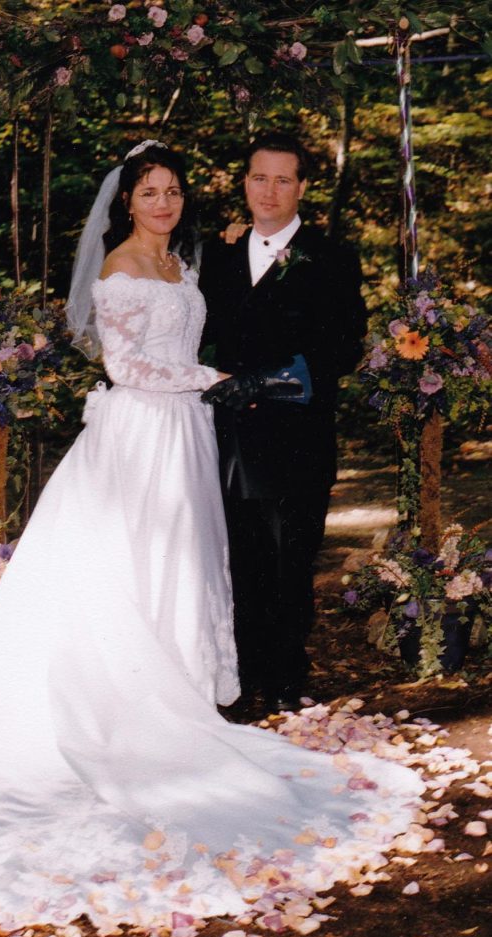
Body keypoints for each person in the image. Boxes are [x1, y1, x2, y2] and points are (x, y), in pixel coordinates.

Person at [0, 141, 421, 936]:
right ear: (126, 202)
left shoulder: (191, 261)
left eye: (174, 189)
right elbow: (127, 366)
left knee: (192, 560)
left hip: (193, 433)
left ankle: (202, 680)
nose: (163, 201)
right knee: (131, 562)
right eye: (150, 191)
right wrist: (220, 381)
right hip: (145, 432)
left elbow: (271, 337)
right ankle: (140, 697)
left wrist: (233, 381)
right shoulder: (118, 268)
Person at [199, 132, 367, 715]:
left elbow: (343, 346)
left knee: (291, 558)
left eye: (283, 179)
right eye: (259, 177)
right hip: (222, 436)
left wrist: (265, 380)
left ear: (302, 187)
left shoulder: (332, 258)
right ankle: (241, 678)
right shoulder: (216, 256)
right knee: (237, 558)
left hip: (296, 435)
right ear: (243, 182)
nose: (269, 191)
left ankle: (287, 678)